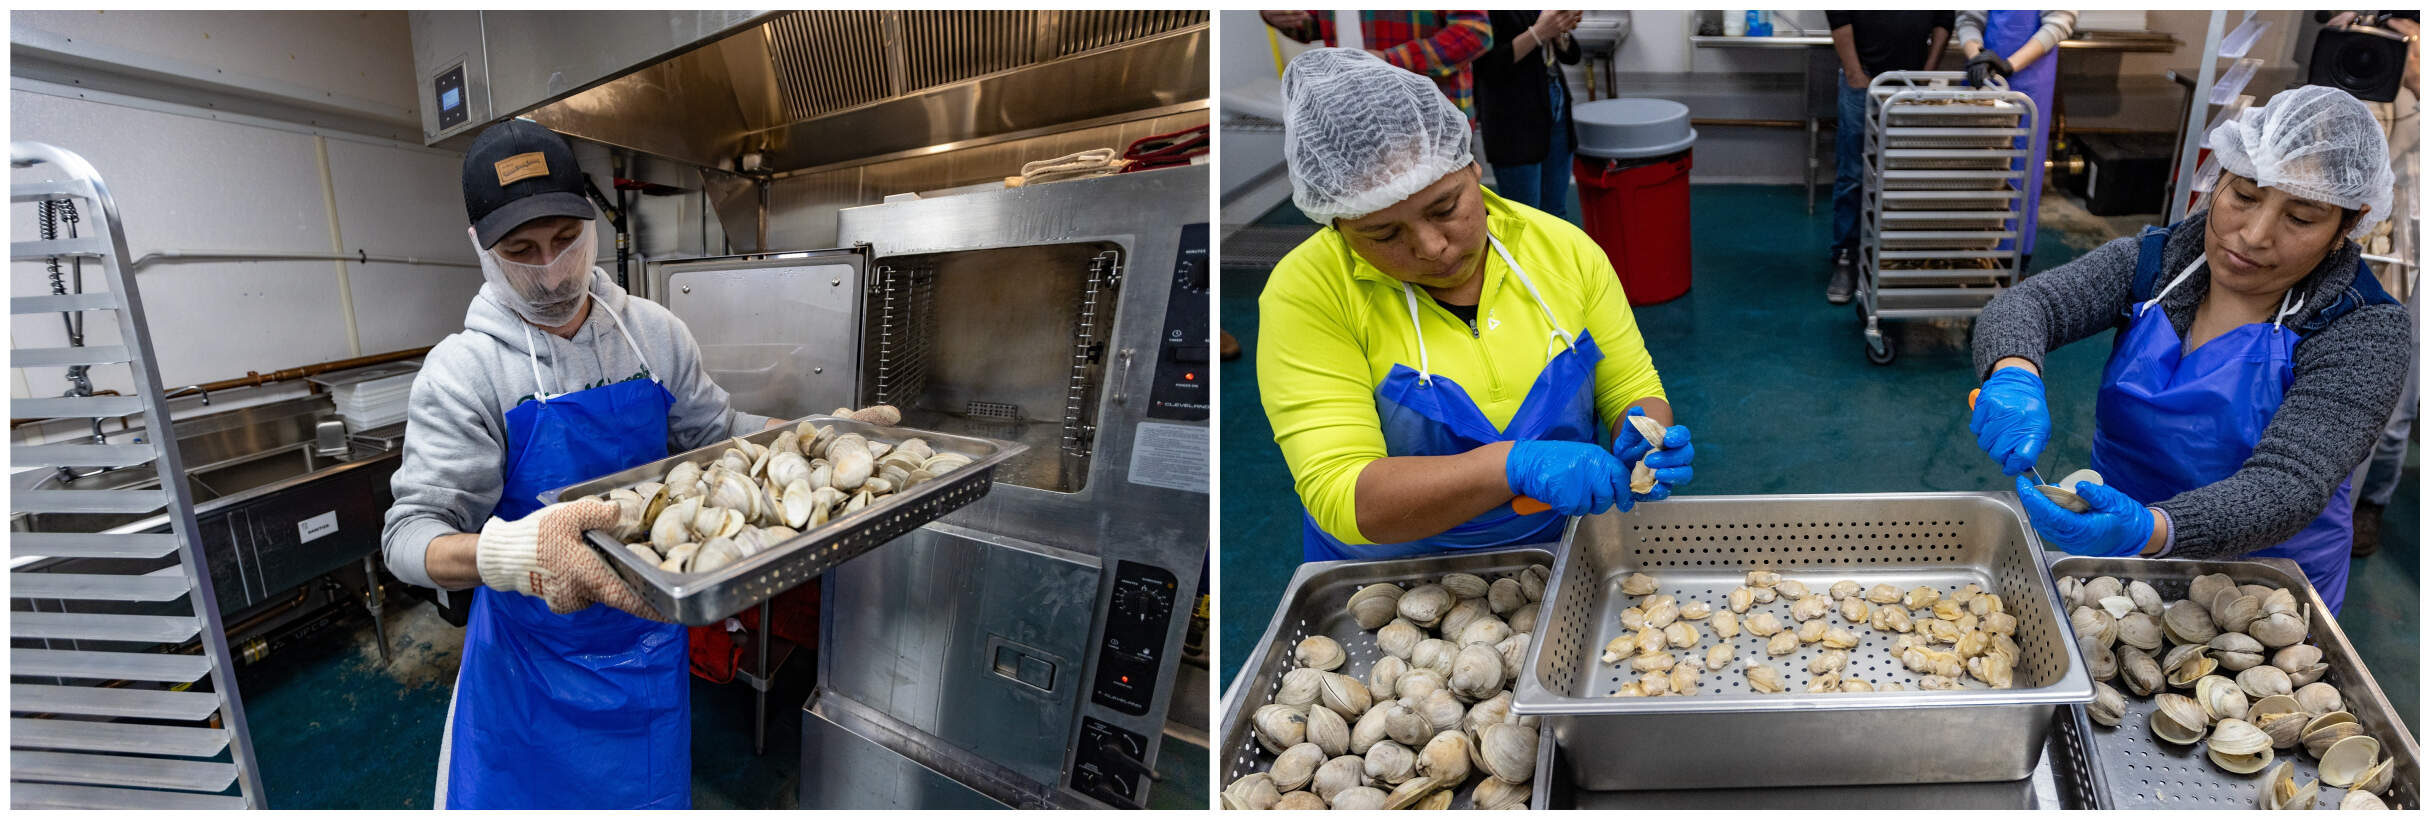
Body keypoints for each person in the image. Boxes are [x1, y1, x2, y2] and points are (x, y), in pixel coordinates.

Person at [380, 120, 887, 808]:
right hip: (532, 667)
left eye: (566, 240)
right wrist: (514, 552)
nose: (553, 269)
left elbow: (715, 431)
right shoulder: (464, 372)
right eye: (522, 251)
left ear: (591, 225)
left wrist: (815, 438)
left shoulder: (653, 333)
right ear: (481, 250)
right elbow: (408, 536)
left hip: (648, 646)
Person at [1967, 86, 2408, 614]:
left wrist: (2149, 528)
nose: (2253, 234)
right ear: (2220, 176)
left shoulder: (2362, 329)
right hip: (2114, 559)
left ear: (2349, 222)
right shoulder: (2159, 265)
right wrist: (2013, 372)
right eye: (2244, 195)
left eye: (2301, 217)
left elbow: (2287, 485)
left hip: (2263, 592)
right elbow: (2029, 306)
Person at [1259, 50, 1694, 560]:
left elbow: (1629, 386)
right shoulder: (1309, 292)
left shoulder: (1562, 250)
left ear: (1471, 165)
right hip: (1393, 572)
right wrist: (1514, 467)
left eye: (1445, 207)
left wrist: (1647, 435)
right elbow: (1343, 492)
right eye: (1383, 233)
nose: (1431, 247)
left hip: (1557, 550)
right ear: (1335, 224)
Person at [1824, 11, 1953, 303]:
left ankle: (1900, 258)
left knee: (1907, 175)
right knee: (1854, 174)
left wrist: (1927, 72)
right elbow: (1837, 14)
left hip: (1911, 82)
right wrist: (1855, 73)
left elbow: (1945, 18)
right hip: (1863, 79)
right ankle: (1846, 257)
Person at [1957, 10, 2076, 270]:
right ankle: (1974, 257)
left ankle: (2012, 263)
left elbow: (2058, 23)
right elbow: (1968, 20)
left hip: (2030, 80)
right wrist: (1978, 59)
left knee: (2022, 171)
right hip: (1985, 81)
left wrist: (2008, 65)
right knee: (1980, 167)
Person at [1259, 11, 1494, 119]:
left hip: (1427, 116)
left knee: (1441, 209)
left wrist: (1389, 61)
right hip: (1352, 111)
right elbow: (1316, 26)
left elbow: (1475, 33)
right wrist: (1283, 17)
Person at [1473, 11, 1585, 219]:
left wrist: (1560, 30)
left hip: (1554, 100)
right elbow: (1487, 67)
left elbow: (1572, 55)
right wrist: (1539, 32)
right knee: (1525, 217)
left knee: (1556, 213)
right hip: (1513, 116)